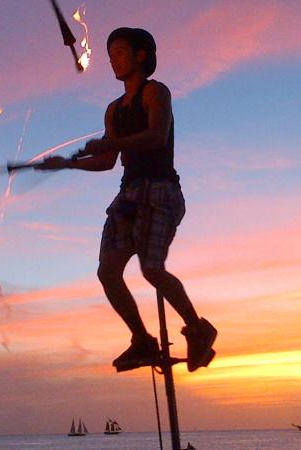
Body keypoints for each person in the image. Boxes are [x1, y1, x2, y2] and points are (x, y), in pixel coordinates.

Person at [38, 27, 217, 372]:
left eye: (119, 52)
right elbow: (107, 161)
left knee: (151, 269)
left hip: (160, 190)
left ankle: (198, 329)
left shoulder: (155, 92)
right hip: (129, 194)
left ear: (140, 55)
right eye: (110, 55)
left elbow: (156, 136)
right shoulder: (113, 110)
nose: (113, 60)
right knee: (107, 272)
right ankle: (142, 340)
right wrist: (67, 164)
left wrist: (111, 143)